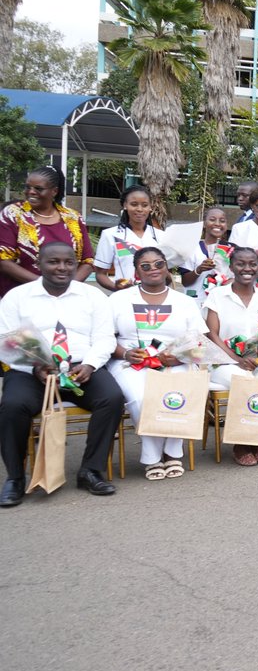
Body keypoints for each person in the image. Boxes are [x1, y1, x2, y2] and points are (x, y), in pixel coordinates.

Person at [0, 243, 122, 506]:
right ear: (39, 264)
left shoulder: (93, 297)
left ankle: (90, 470)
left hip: (80, 367)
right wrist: (35, 365)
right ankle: (16, 478)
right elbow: (7, 340)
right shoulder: (16, 297)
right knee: (12, 406)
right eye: (53, 262)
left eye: (68, 262)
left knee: (111, 398)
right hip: (32, 369)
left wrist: (89, 365)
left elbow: (104, 339)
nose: (62, 268)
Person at [107, 246, 206, 480]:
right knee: (142, 398)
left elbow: (198, 342)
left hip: (175, 360)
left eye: (159, 264)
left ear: (167, 267)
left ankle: (172, 453)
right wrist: (125, 354)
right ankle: (152, 457)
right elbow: (105, 339)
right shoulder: (118, 299)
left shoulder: (184, 301)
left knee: (177, 395)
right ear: (136, 271)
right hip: (131, 362)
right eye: (146, 266)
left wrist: (182, 355)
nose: (153, 269)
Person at [203, 246, 258, 467]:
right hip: (224, 361)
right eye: (241, 263)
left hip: (257, 360)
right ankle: (241, 443)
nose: (246, 268)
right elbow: (212, 334)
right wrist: (236, 360)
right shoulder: (218, 295)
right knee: (247, 383)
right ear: (231, 266)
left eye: (252, 264)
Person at [0, 165, 95, 297]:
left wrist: (66, 289)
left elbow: (88, 261)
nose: (31, 192)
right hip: (22, 296)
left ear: (54, 191)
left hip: (66, 298)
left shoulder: (73, 218)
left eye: (38, 189)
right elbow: (4, 261)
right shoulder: (13, 214)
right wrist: (45, 287)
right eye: (28, 187)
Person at [93, 185, 162, 291]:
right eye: (134, 204)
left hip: (154, 299)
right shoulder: (110, 235)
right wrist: (118, 289)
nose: (139, 209)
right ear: (125, 205)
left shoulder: (161, 236)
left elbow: (166, 274)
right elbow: (100, 275)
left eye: (144, 205)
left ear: (150, 207)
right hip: (124, 300)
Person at [180, 206, 231, 305]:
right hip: (196, 302)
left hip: (222, 304)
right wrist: (199, 270)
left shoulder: (232, 250)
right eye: (212, 220)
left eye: (222, 221)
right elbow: (185, 282)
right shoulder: (192, 248)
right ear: (203, 224)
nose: (217, 223)